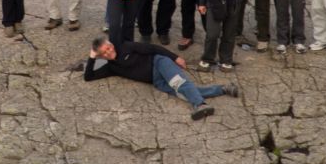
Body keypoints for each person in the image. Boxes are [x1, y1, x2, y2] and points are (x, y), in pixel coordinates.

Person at [84, 37, 239, 121]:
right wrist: (92, 57)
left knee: (179, 83)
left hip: (160, 63)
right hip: (156, 81)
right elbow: (89, 77)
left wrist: (175, 57)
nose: (109, 53)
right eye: (104, 53)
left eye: (108, 48)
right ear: (101, 56)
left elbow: (153, 48)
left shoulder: (126, 46)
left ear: (111, 44)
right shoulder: (111, 67)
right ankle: (224, 89)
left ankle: (200, 105)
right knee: (183, 90)